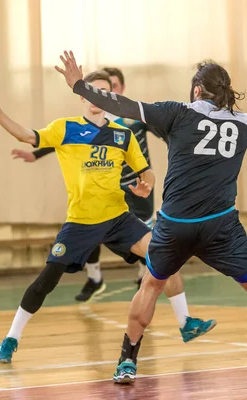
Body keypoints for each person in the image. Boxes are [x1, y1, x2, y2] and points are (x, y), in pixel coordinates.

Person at [56, 51, 247, 386]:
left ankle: (127, 363)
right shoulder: (246, 124)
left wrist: (79, 86)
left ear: (195, 91)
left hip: (176, 227)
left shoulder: (177, 114)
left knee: (150, 286)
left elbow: (125, 106)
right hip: (222, 226)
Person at [0, 70, 216, 363]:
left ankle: (186, 323)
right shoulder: (65, 128)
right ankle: (12, 337)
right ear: (81, 95)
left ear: (108, 97)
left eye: (103, 91)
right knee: (46, 281)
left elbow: (147, 171)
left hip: (118, 218)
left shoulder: (122, 134)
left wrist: (147, 185)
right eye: (92, 91)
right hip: (80, 222)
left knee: (165, 254)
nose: (96, 97)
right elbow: (27, 136)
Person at [11, 67, 161, 302]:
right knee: (92, 226)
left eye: (110, 88)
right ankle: (95, 278)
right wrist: (36, 154)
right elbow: (64, 139)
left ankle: (145, 276)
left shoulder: (132, 121)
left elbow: (162, 132)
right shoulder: (89, 120)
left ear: (119, 91)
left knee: (145, 244)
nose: (100, 95)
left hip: (136, 190)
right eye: (94, 90)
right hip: (106, 191)